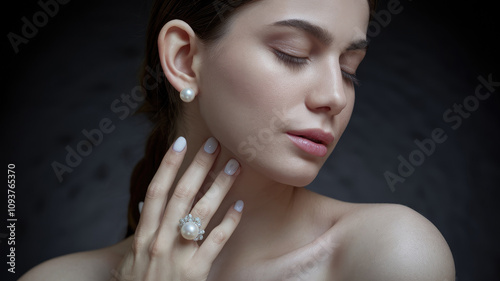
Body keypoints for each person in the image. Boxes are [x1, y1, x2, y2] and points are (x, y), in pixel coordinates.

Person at [20, 0, 456, 280]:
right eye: (293, 53)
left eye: (349, 69)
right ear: (185, 59)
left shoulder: (392, 254)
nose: (334, 97)